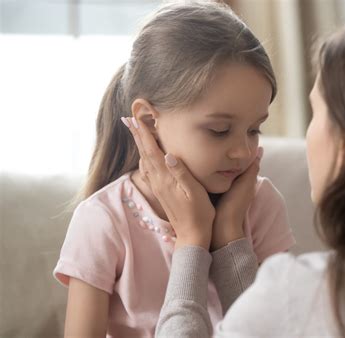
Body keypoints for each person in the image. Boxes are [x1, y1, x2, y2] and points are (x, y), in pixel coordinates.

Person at [124, 2, 345, 338]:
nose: (244, 151)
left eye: (316, 112)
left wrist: (192, 240)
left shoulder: (306, 296)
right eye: (219, 130)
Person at [53, 2, 295, 336]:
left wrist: (230, 234)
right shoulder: (103, 221)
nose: (243, 151)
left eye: (254, 129)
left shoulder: (260, 205)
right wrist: (195, 239)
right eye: (219, 131)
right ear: (150, 121)